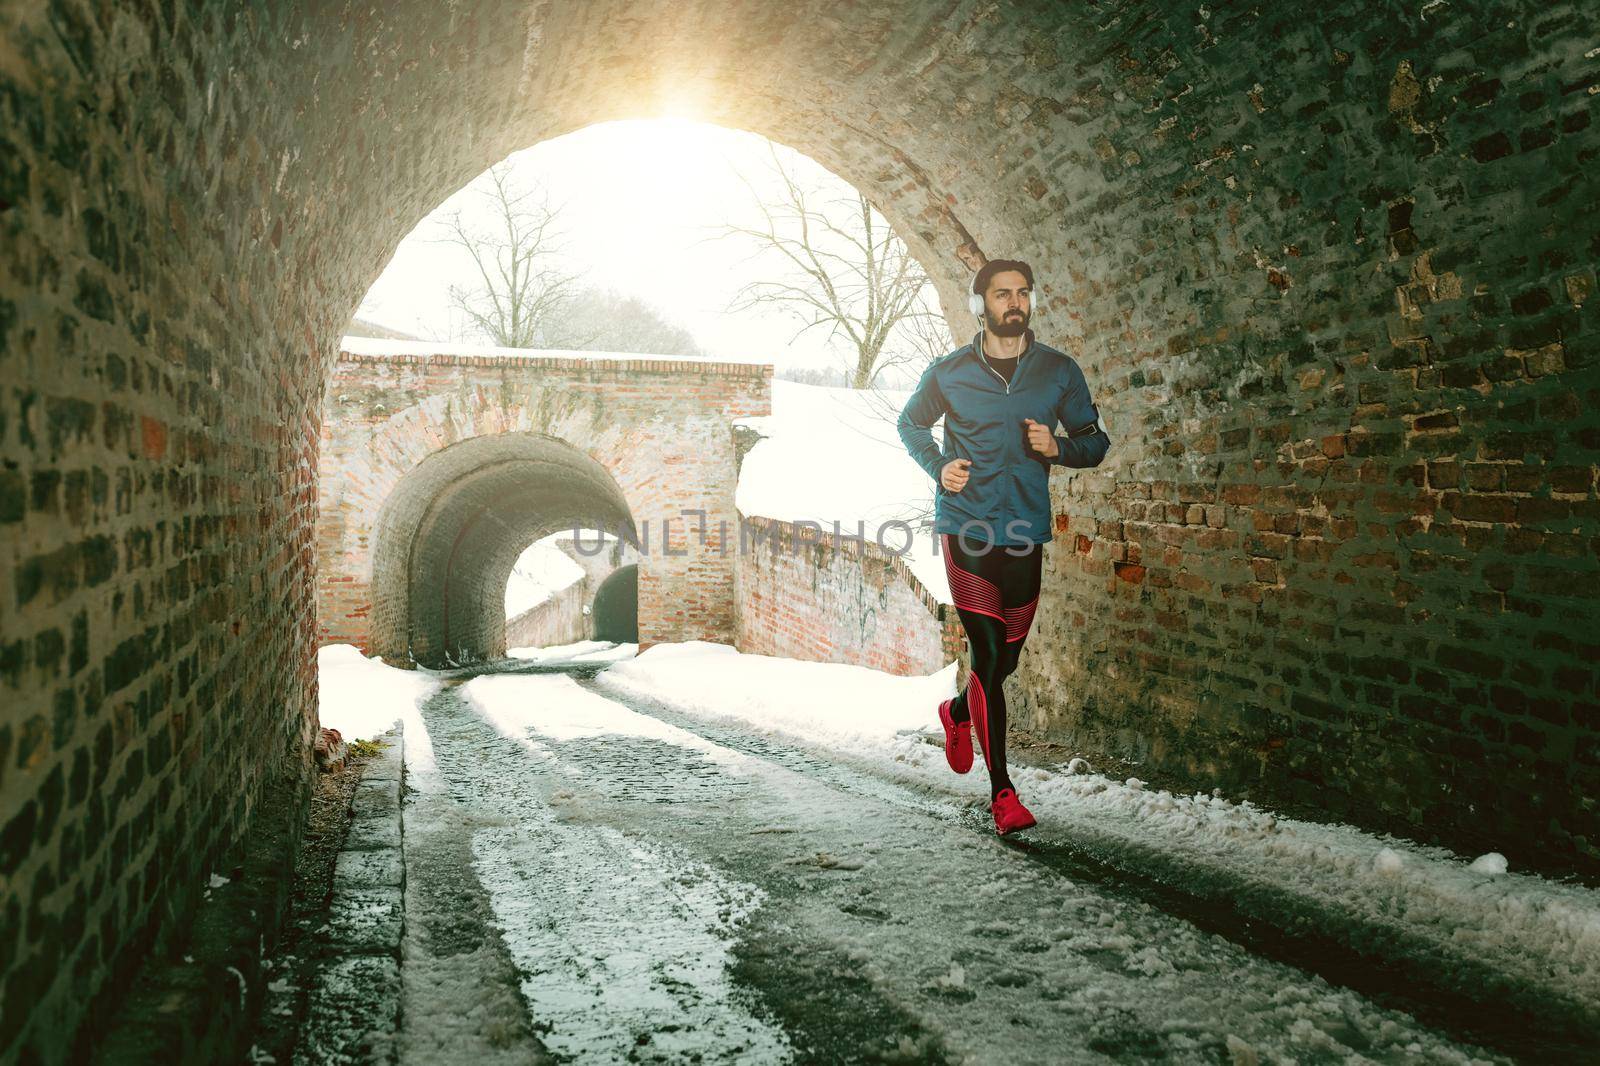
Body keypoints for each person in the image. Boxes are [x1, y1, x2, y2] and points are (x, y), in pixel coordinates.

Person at [897, 259, 1111, 835]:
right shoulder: (949, 373)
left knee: (1006, 660)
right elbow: (909, 424)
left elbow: (1096, 442)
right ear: (980, 304)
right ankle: (1003, 794)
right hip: (966, 529)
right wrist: (939, 466)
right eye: (1001, 294)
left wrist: (1059, 447)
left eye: (1021, 293)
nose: (1013, 303)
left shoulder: (1058, 373)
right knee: (988, 661)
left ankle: (957, 710)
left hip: (1024, 532)